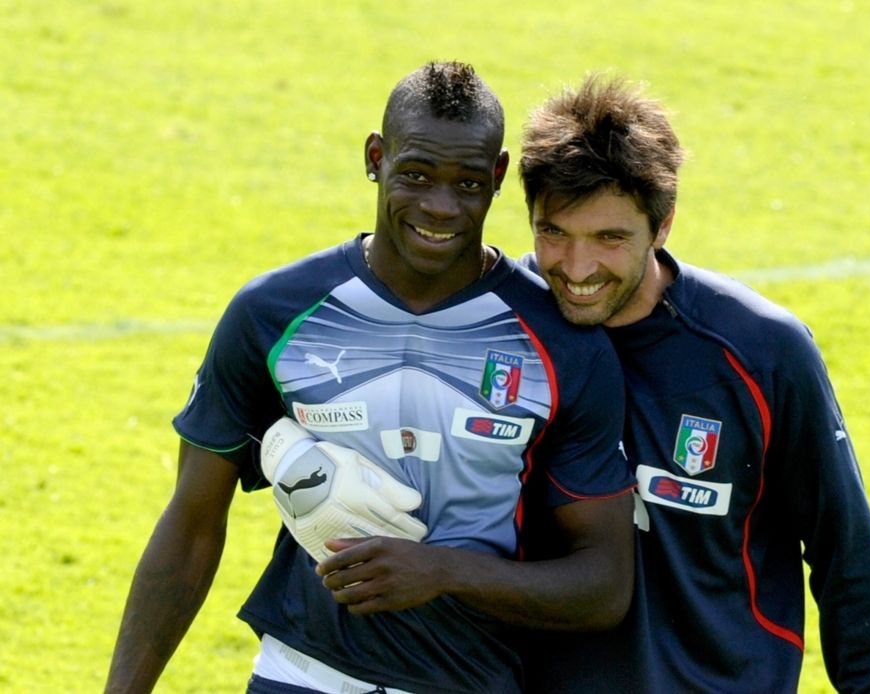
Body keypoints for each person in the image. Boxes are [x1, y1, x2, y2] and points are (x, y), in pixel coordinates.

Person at [104, 62, 636, 694]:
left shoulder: (562, 345)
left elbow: (603, 586)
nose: (440, 207)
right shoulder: (273, 312)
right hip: (298, 674)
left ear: (498, 177)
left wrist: (441, 572)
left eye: (468, 183)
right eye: (416, 175)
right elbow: (191, 525)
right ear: (376, 158)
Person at [515, 75, 870, 692]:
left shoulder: (762, 352)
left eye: (610, 238)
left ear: (663, 225)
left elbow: (846, 554)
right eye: (554, 233)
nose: (577, 267)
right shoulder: (505, 324)